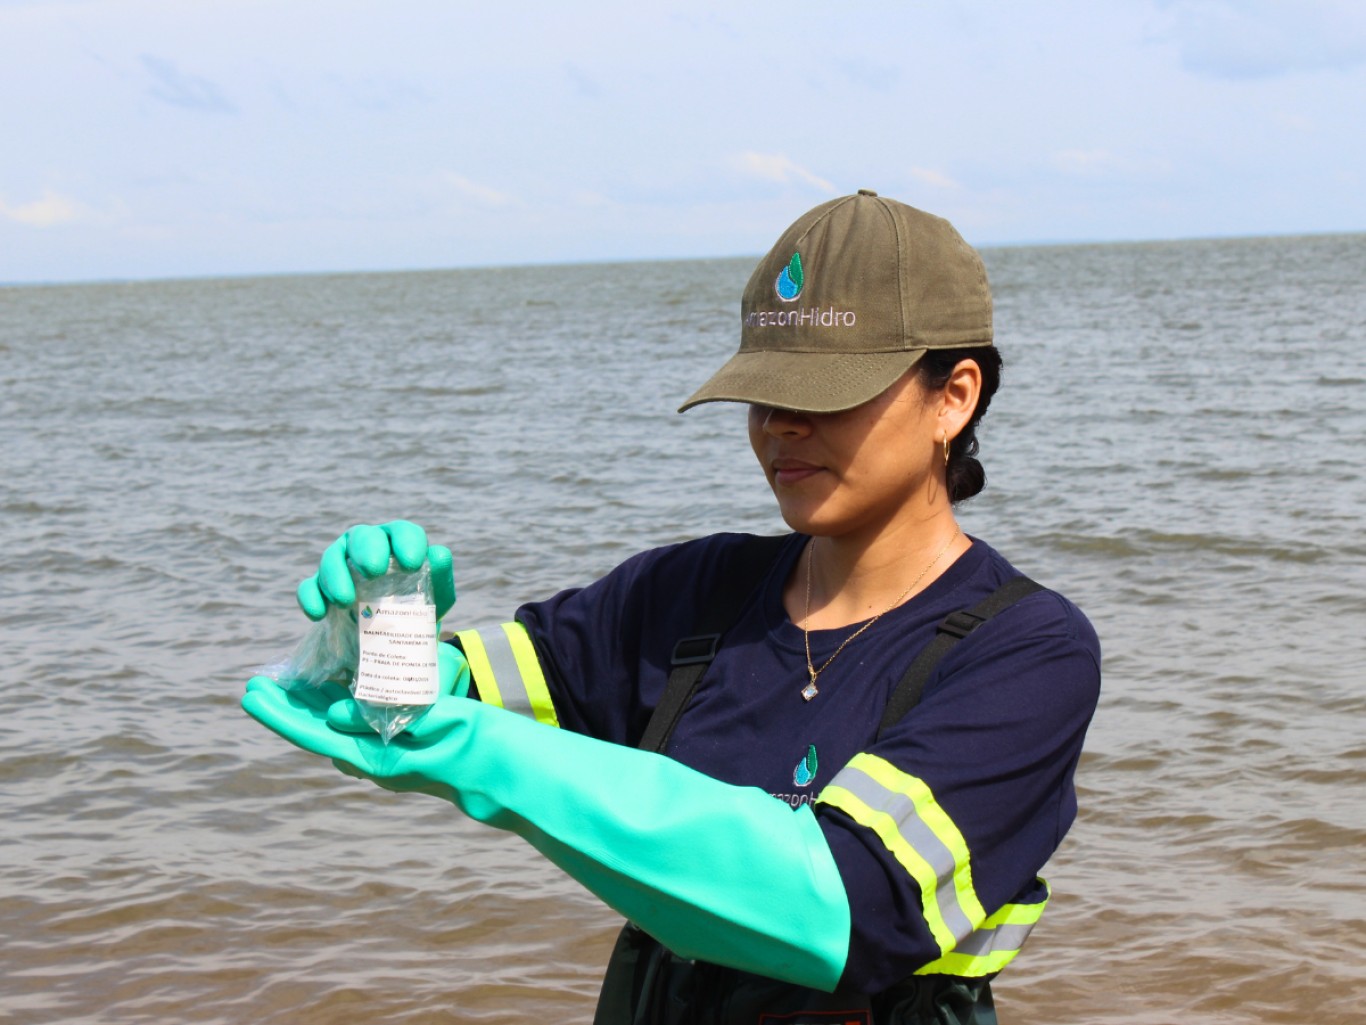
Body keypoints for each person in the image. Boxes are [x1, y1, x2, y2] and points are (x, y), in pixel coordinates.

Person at [243, 190, 1101, 1025]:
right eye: (765, 392)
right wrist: (375, 646)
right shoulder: (694, 592)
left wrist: (488, 760)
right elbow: (446, 695)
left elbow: (839, 908)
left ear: (954, 395)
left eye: (828, 390)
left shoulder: (1027, 652)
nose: (781, 424)